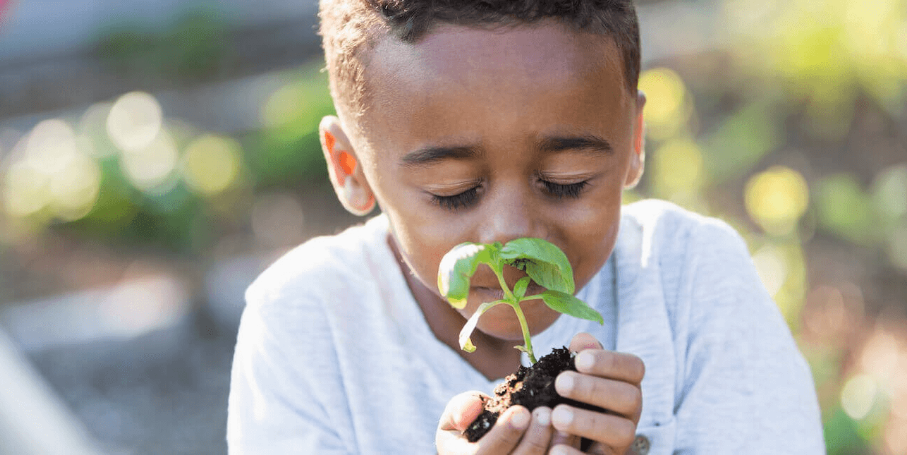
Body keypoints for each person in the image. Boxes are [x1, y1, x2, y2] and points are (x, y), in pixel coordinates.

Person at [227, 0, 825, 453]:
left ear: (634, 143)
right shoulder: (305, 323)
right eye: (453, 192)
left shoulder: (690, 279)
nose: (511, 234)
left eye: (568, 180)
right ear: (350, 167)